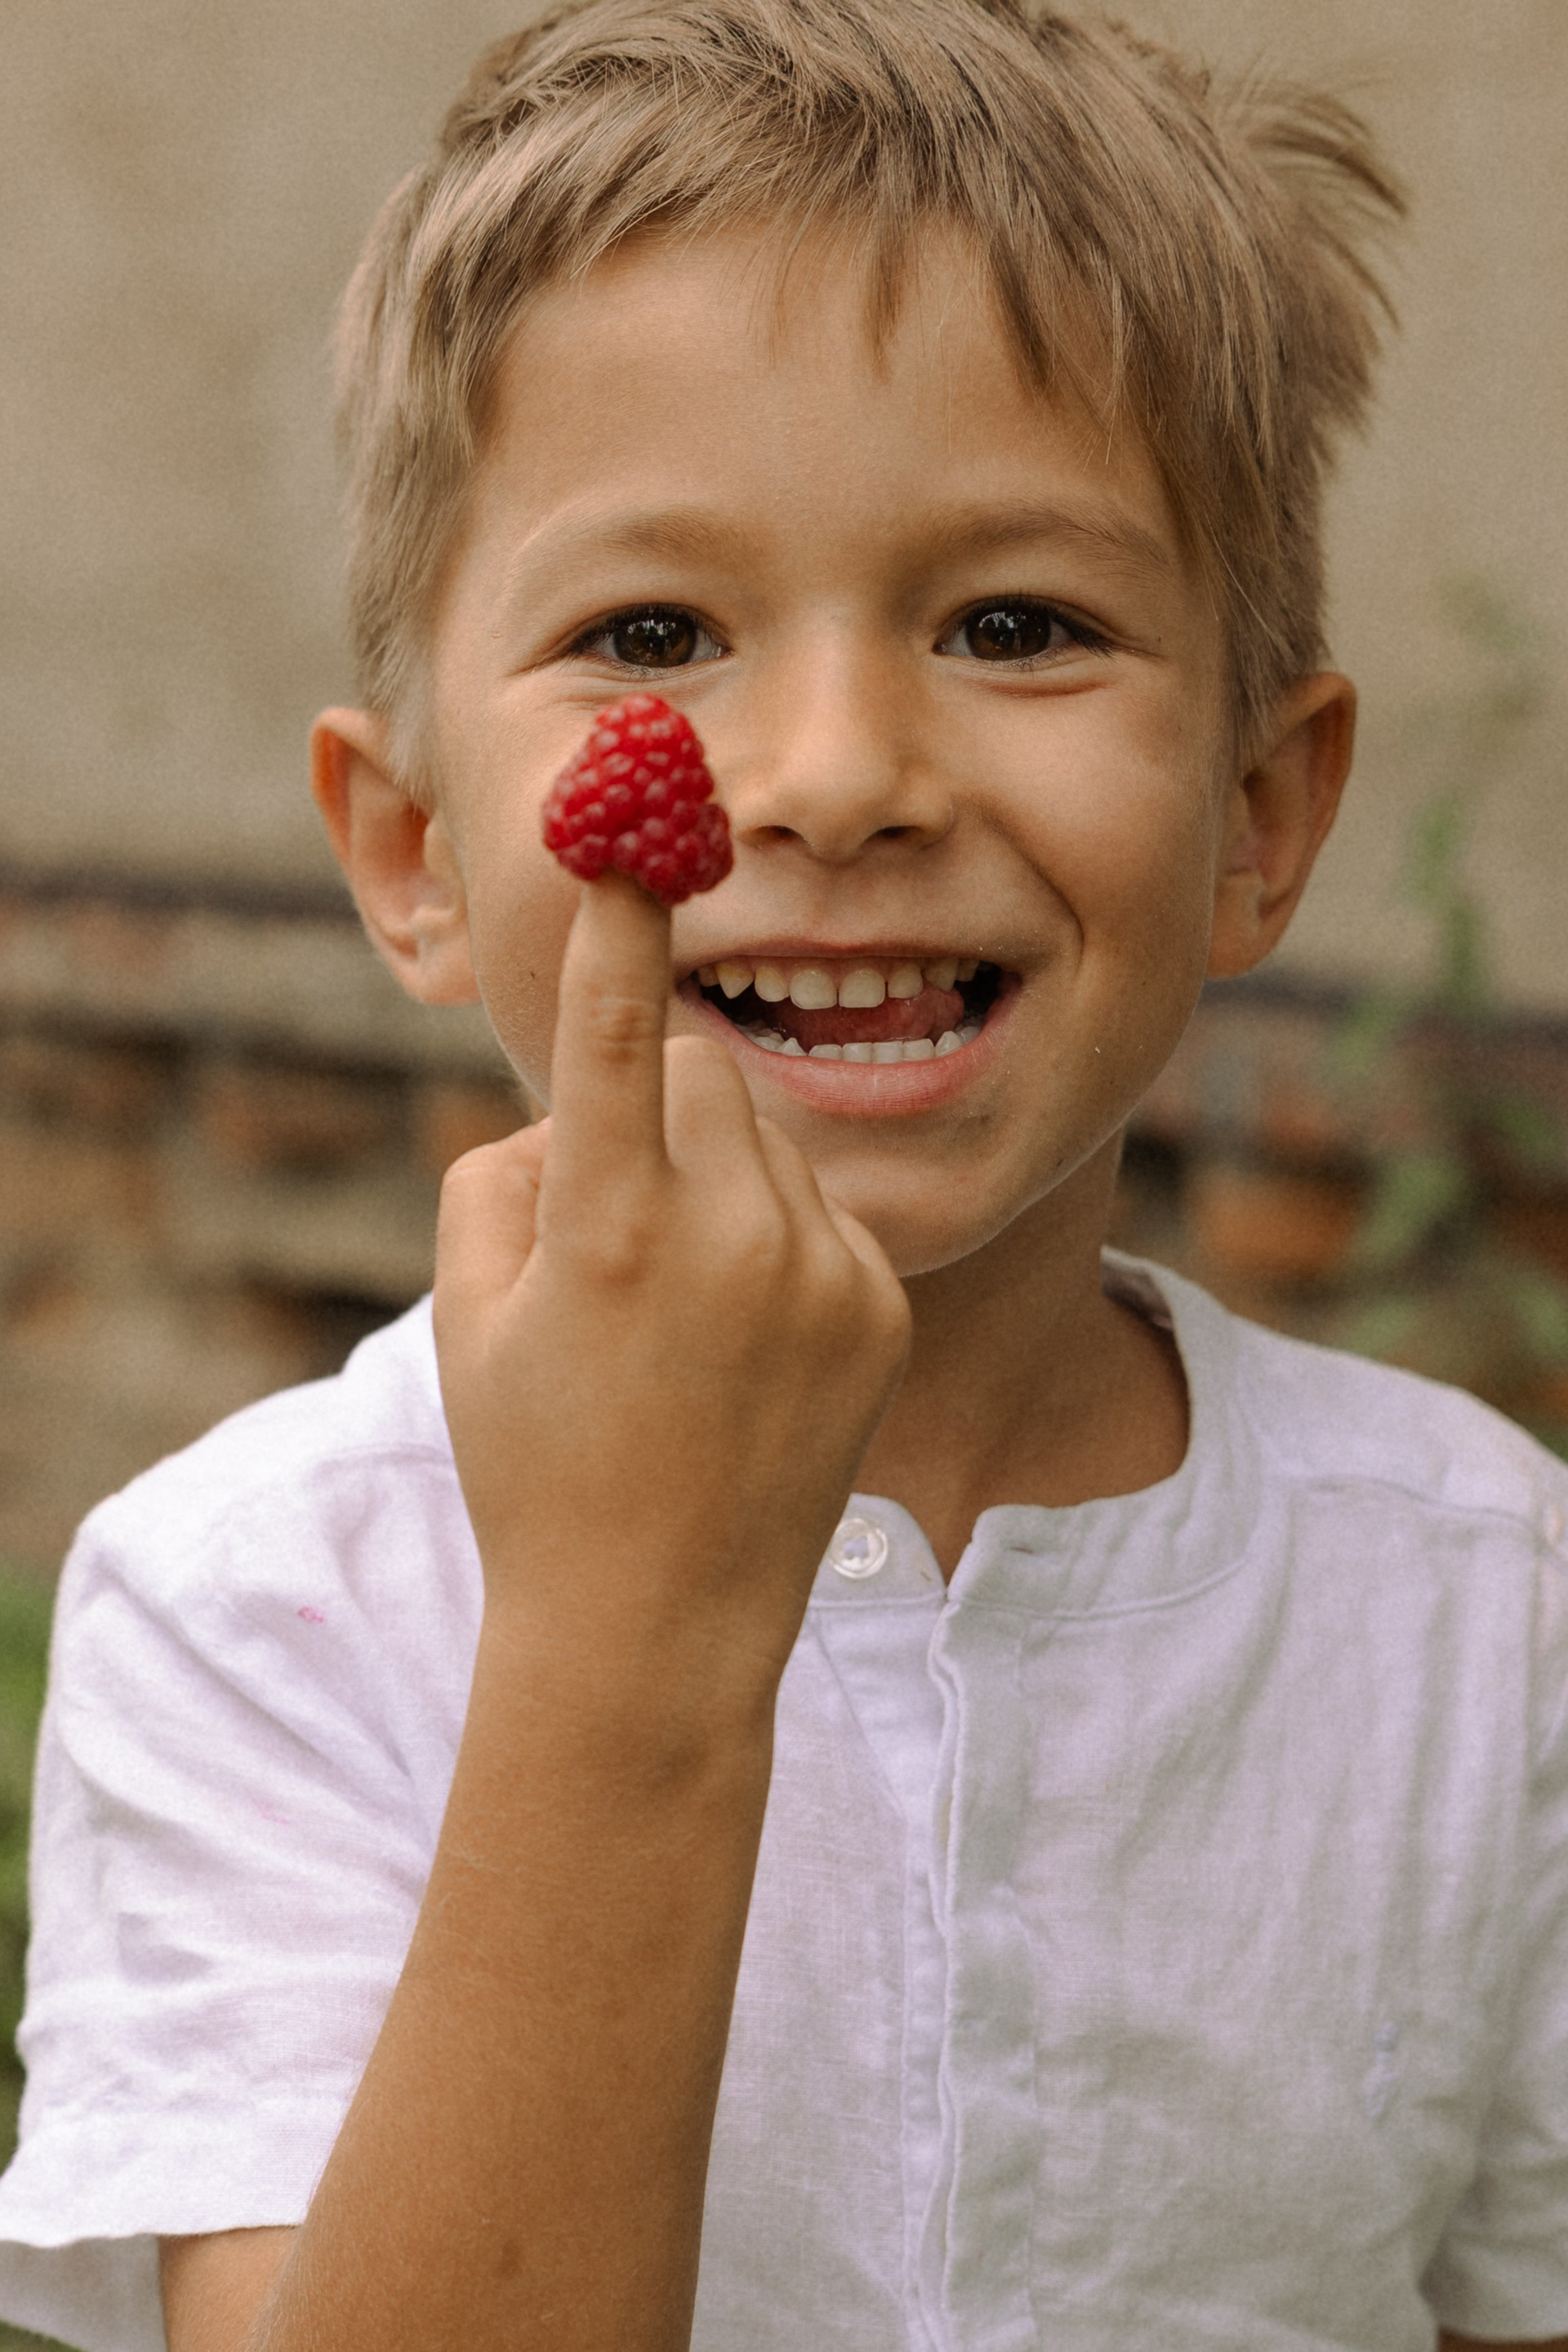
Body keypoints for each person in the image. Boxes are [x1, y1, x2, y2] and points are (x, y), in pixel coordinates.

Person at [2, 2, 1566, 2345]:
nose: (835, 776)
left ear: (1259, 817)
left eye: (1016, 625)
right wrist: (625, 1613)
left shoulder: (1487, 1602)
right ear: (414, 854)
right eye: (652, 633)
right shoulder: (254, 1609)